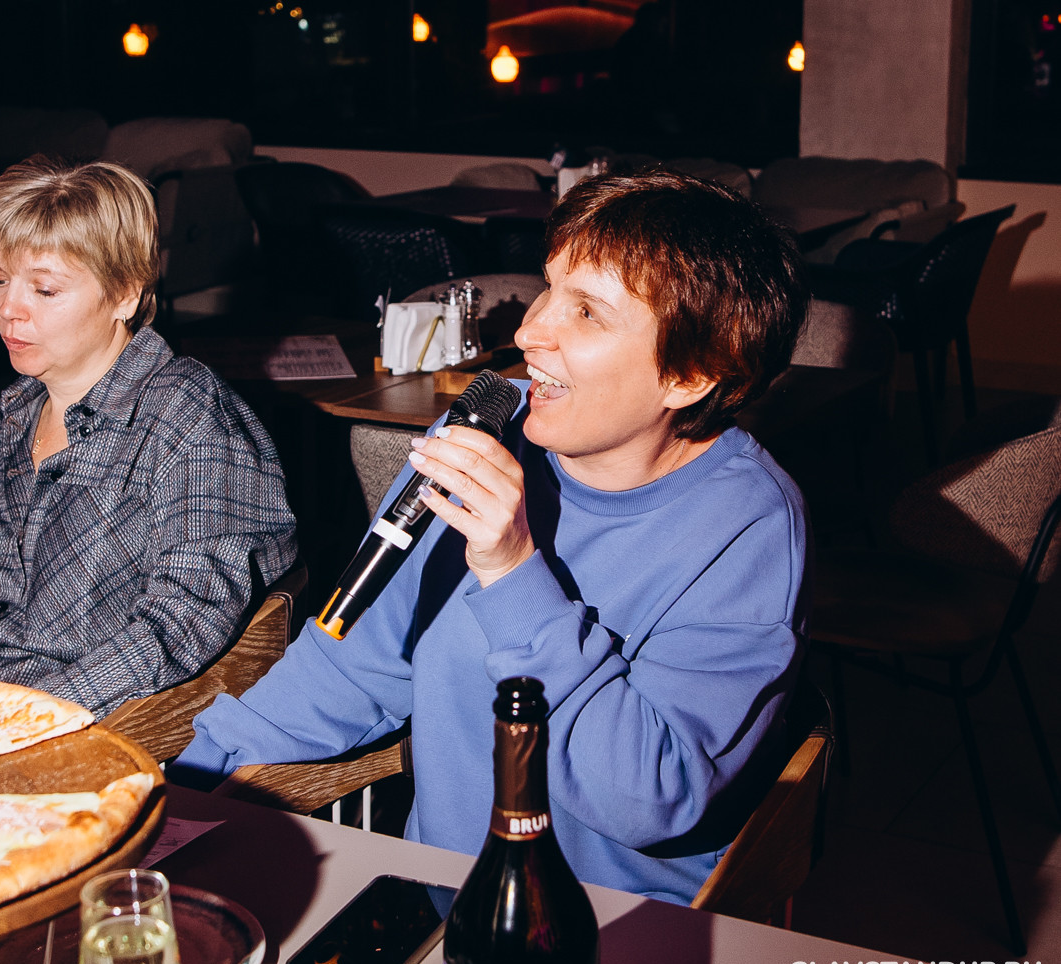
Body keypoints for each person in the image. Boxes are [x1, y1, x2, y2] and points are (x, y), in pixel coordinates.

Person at [173, 170, 810, 905]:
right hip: (440, 901)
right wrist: (187, 785)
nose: (529, 331)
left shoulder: (748, 528)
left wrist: (513, 572)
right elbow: (356, 664)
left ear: (692, 374)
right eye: (550, 288)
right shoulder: (487, 434)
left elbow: (649, 800)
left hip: (612, 929)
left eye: (587, 312)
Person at [0, 157, 298, 715]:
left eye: (45, 290)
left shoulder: (186, 418)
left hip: (76, 728)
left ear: (125, 295)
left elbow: (185, 619)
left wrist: (20, 718)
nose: (8, 310)